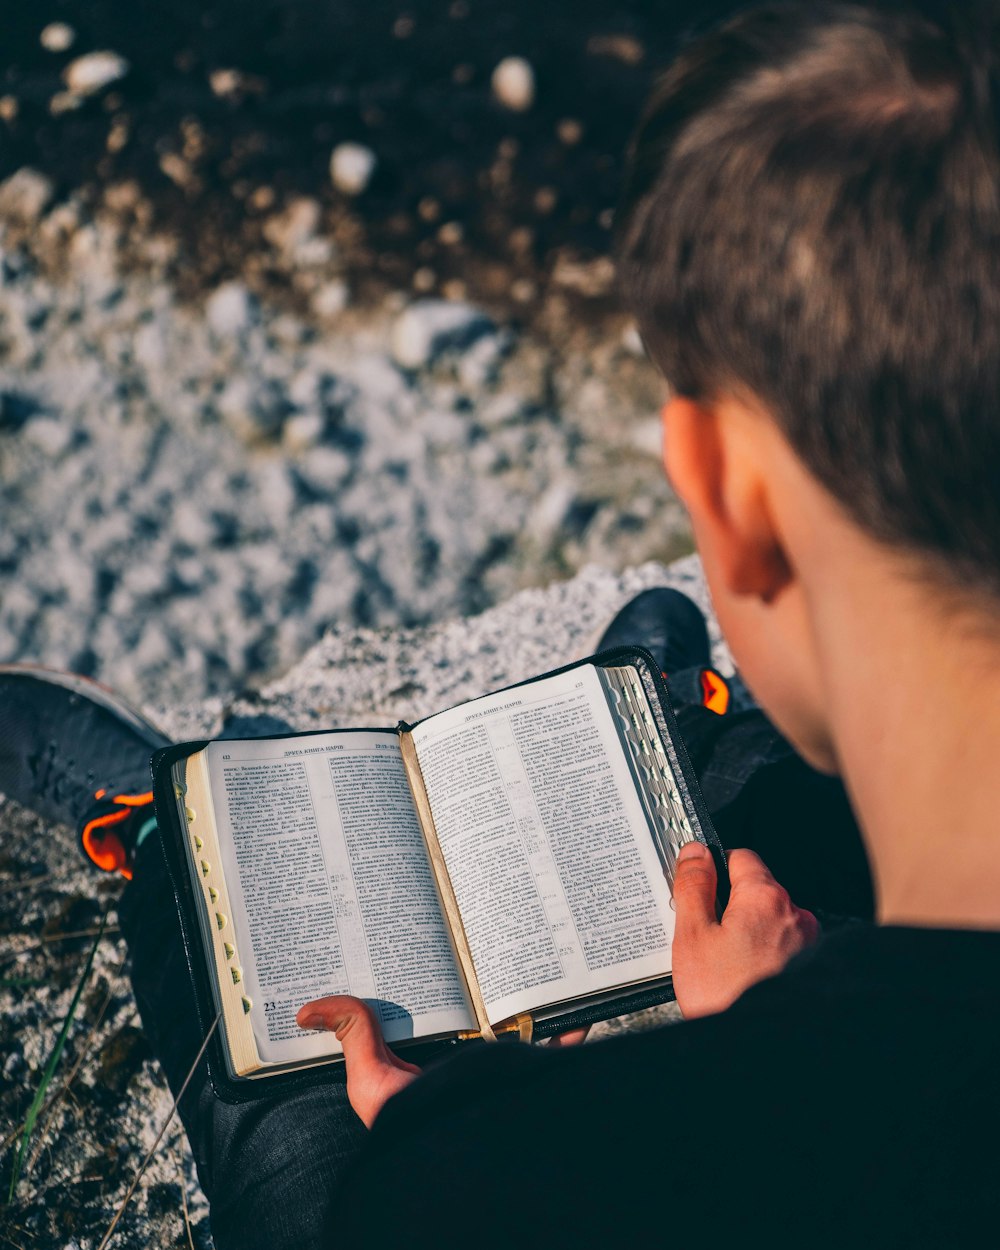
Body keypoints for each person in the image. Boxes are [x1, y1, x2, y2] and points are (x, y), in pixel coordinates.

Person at [2, 0, 997, 1244]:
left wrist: (741, 1053)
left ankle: (166, 847)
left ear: (729, 499)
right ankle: (631, 731)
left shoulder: (477, 1182)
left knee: (301, 1110)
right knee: (759, 791)